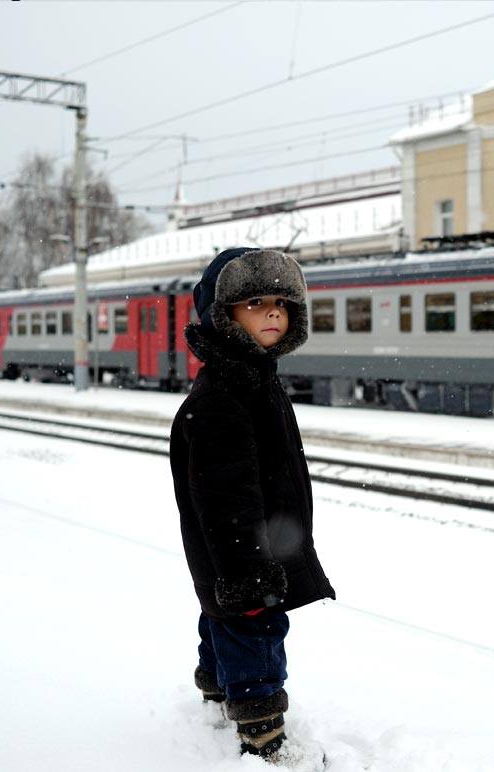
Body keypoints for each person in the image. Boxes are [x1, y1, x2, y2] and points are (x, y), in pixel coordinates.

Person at [169, 247, 335, 760]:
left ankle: (216, 690)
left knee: (221, 616)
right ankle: (263, 737)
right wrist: (250, 569)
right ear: (223, 315)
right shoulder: (224, 395)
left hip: (246, 545)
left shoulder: (253, 377)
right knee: (256, 627)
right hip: (246, 550)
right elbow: (224, 497)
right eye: (255, 302)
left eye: (282, 303)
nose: (272, 312)